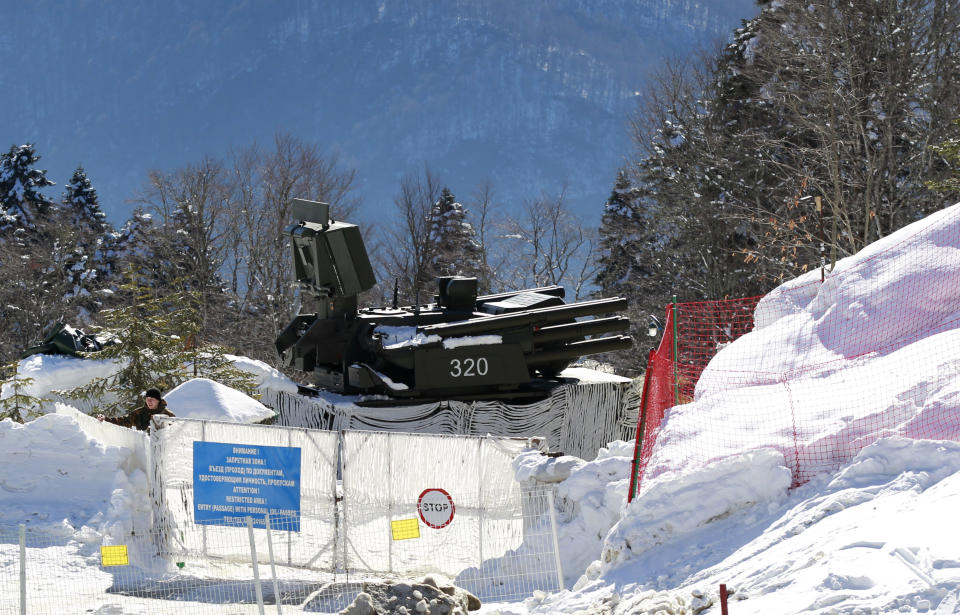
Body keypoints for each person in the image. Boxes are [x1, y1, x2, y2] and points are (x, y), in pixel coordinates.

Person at [98, 388, 174, 431]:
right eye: (147, 399)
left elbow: (175, 433)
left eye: (152, 399)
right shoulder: (139, 412)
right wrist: (106, 419)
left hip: (162, 450)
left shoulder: (168, 415)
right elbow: (125, 421)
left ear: (158, 400)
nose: (149, 401)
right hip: (143, 449)